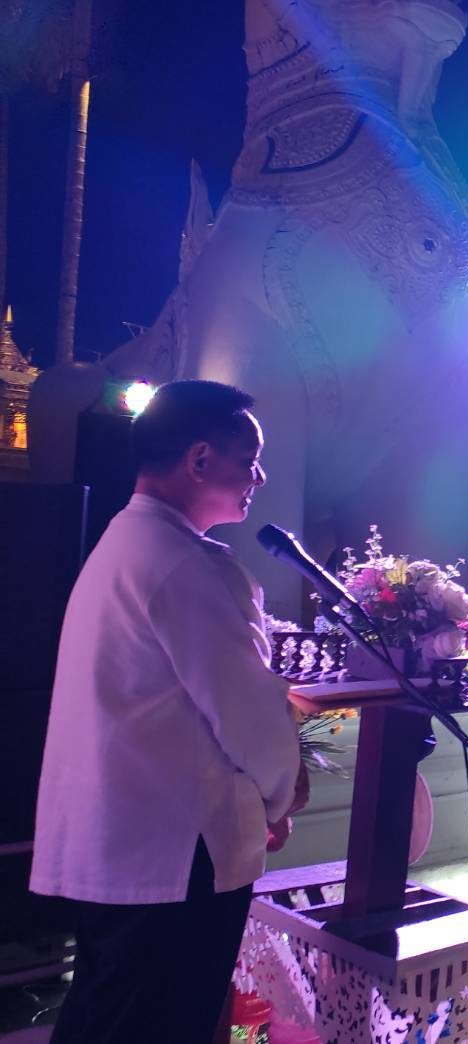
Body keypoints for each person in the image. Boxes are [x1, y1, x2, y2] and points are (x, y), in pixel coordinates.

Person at [30, 381, 304, 1043]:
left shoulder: (125, 542)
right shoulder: (187, 563)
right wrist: (280, 797)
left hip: (120, 841)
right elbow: (250, 717)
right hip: (174, 854)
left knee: (106, 1017)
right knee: (159, 1022)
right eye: (250, 461)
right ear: (199, 459)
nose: (259, 478)